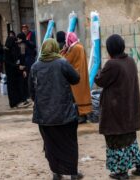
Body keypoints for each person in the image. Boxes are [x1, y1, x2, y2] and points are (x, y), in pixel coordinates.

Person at [29, 39, 83, 180]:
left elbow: (32, 92)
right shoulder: (62, 63)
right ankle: (73, 173)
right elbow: (76, 79)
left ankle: (56, 173)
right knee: (69, 143)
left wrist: (42, 103)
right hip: (65, 114)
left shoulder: (35, 67)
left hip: (44, 117)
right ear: (55, 48)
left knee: (51, 144)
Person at [95, 34, 140, 180]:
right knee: (131, 141)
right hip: (129, 110)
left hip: (116, 112)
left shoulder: (112, 64)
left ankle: (121, 172)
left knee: (116, 142)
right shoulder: (130, 60)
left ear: (110, 49)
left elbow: (100, 80)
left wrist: (100, 70)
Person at [61, 32, 92, 123]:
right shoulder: (80, 46)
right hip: (81, 75)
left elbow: (64, 60)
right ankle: (83, 115)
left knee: (77, 97)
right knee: (82, 95)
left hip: (76, 76)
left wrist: (63, 51)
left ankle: (81, 116)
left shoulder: (74, 48)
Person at [4, 31, 24, 108]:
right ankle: (13, 102)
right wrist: (17, 66)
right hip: (11, 72)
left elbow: (18, 58)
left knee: (16, 86)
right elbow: (8, 62)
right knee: (12, 88)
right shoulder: (7, 51)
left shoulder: (15, 49)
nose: (16, 43)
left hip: (16, 72)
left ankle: (18, 101)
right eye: (14, 42)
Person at [16, 32, 35, 104]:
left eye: (18, 38)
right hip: (32, 62)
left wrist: (23, 67)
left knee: (26, 80)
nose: (17, 40)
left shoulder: (23, 45)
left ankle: (27, 95)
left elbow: (22, 55)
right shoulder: (29, 43)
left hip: (26, 64)